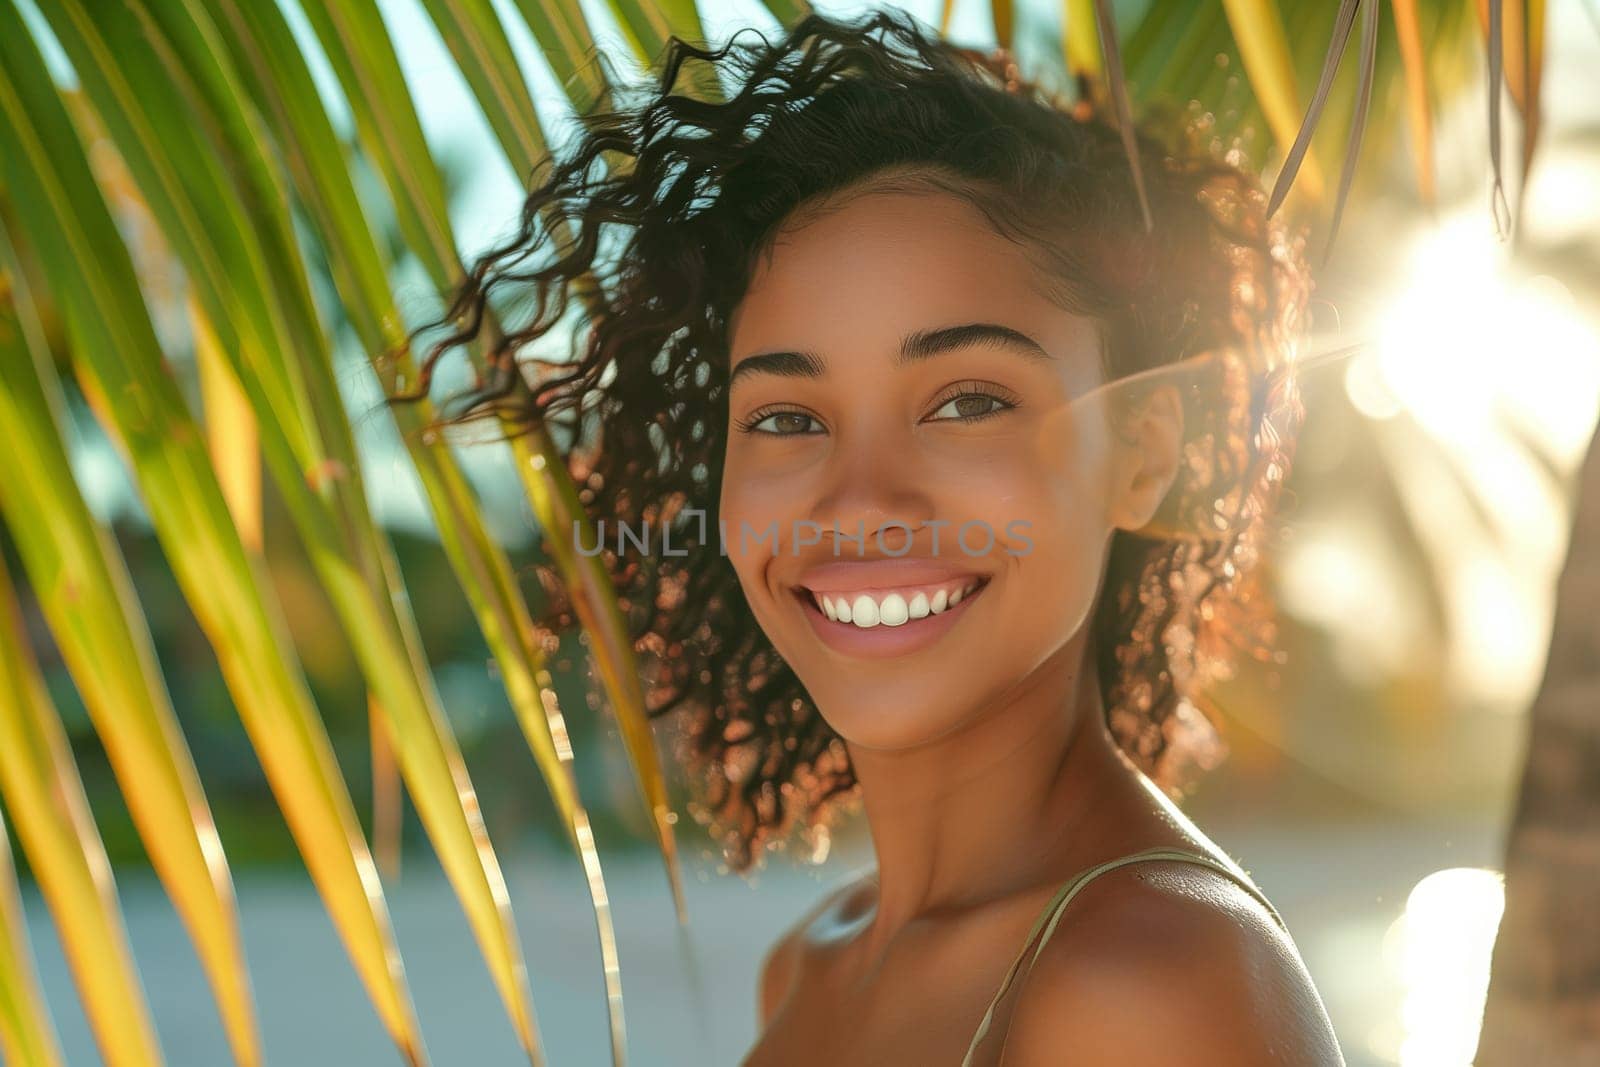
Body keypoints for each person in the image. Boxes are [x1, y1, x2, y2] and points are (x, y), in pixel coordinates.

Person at [407, 7, 1346, 1063]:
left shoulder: (1149, 982)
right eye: (787, 417)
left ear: (1141, 450)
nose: (857, 500)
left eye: (964, 400)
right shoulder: (809, 963)